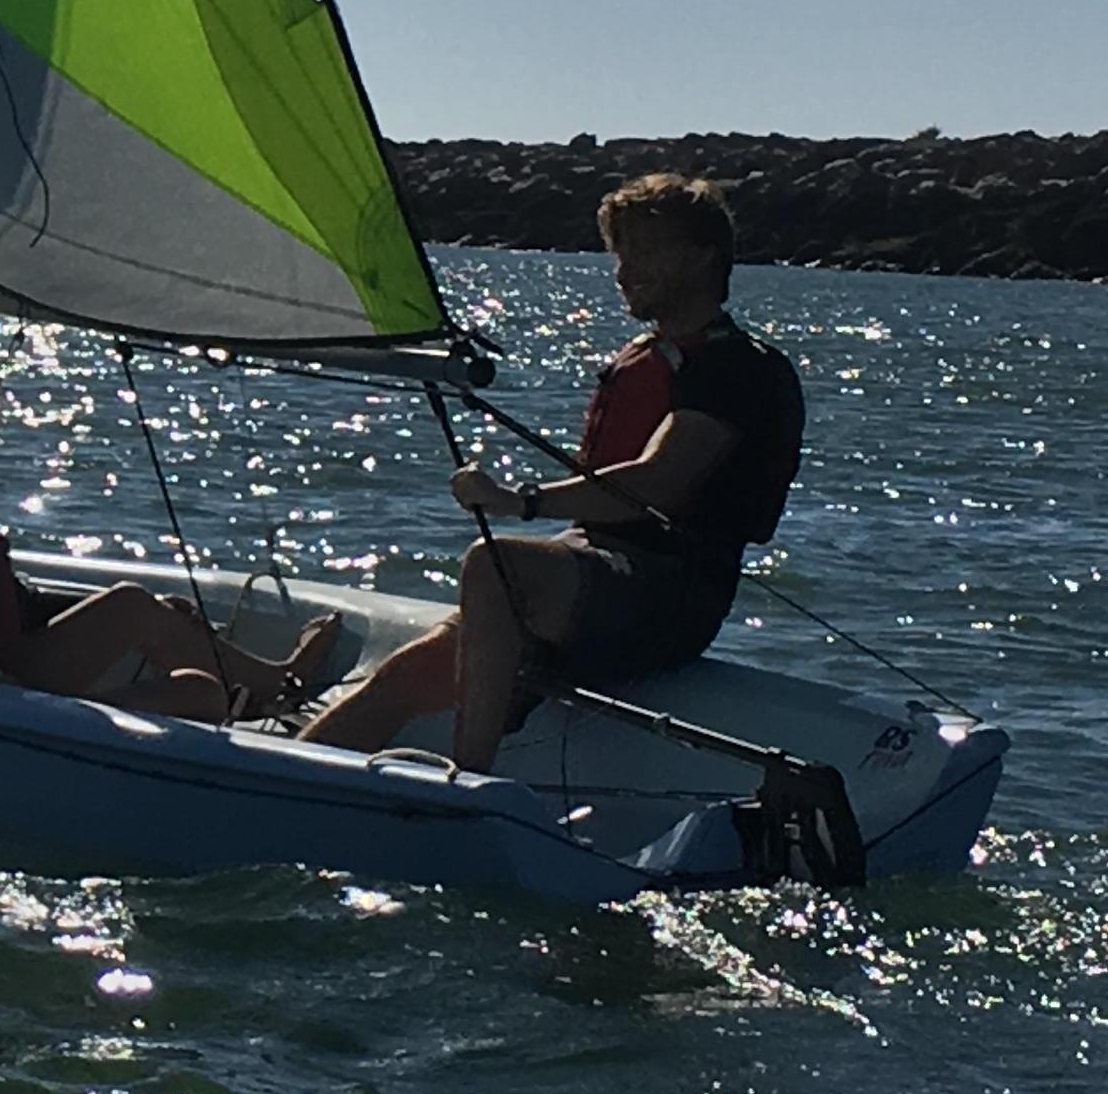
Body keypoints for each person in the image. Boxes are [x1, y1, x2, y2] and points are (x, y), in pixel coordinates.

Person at [297, 173, 802, 775]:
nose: (624, 268)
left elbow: (659, 483)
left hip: (673, 592)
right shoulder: (649, 357)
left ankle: (471, 782)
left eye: (645, 250)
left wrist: (518, 501)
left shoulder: (738, 369)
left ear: (703, 257)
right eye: (621, 252)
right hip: (596, 571)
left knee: (496, 564)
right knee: (404, 676)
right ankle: (276, 777)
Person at [0, 359, 334, 722]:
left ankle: (261, 693)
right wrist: (31, 706)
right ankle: (282, 683)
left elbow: (0, 606)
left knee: (173, 652)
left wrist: (116, 612)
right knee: (155, 637)